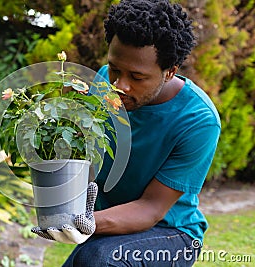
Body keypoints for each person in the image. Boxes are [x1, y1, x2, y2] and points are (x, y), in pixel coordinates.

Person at [32, 0, 221, 266]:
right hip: (113, 222)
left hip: (172, 234)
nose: (120, 86)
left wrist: (80, 221)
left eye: (137, 77)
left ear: (170, 72)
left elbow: (151, 209)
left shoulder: (198, 120)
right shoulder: (102, 82)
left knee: (98, 259)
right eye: (115, 70)